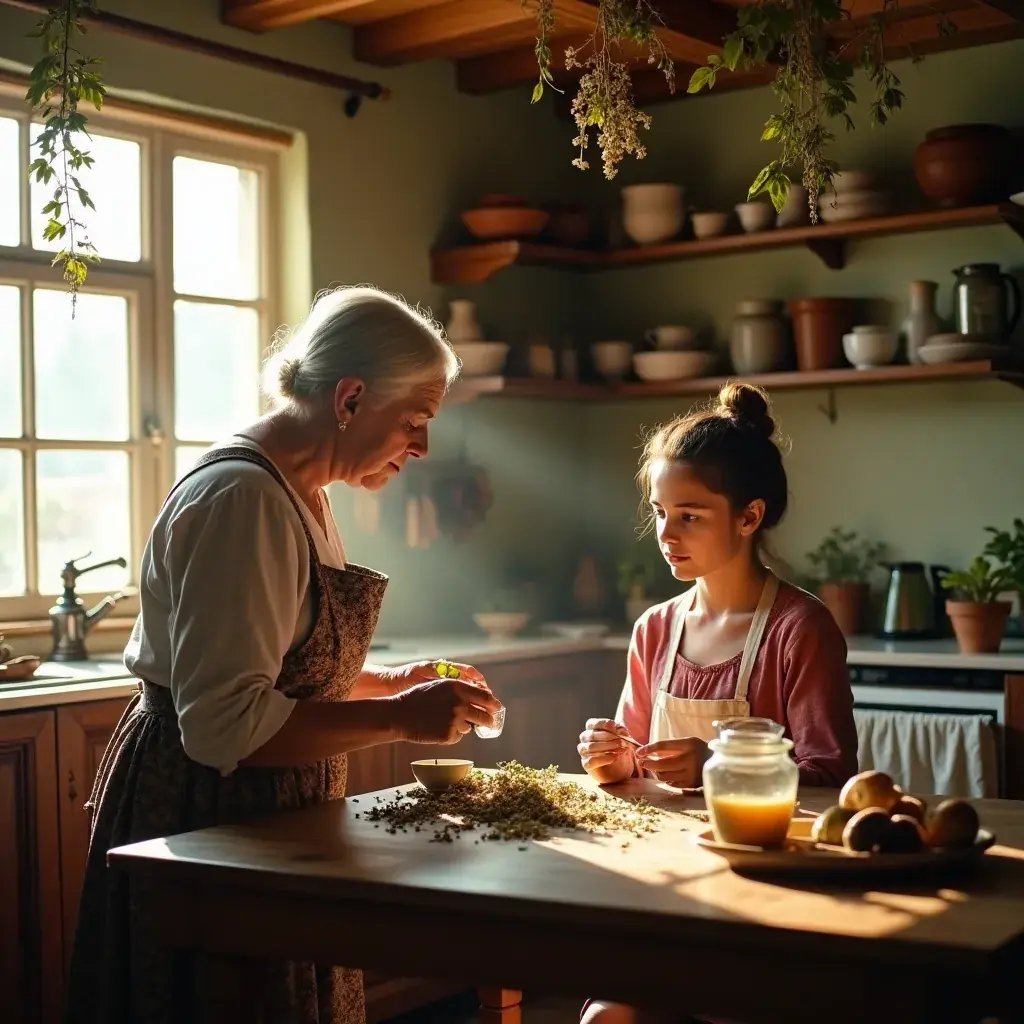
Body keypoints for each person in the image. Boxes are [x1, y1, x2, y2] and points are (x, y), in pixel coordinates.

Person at [66, 285, 503, 1024]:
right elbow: (224, 726)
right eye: (416, 421)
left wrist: (393, 681)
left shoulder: (303, 491)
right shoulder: (244, 500)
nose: (422, 447)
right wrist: (401, 718)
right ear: (352, 397)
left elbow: (281, 664)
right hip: (209, 814)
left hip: (269, 808)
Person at [576, 381, 858, 1024]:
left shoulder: (799, 629)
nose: (667, 534)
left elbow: (834, 783)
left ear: (749, 517)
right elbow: (632, 768)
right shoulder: (655, 629)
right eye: (658, 512)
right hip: (662, 894)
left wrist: (717, 769)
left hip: (768, 906)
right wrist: (609, 759)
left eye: (691, 515)